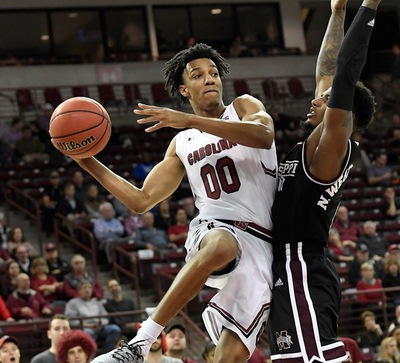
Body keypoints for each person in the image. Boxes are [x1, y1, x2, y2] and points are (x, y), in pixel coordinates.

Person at [74, 42, 277, 363]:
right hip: (215, 231)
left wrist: (188, 120)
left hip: (262, 246)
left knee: (231, 357)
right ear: (184, 89)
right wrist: (86, 161)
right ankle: (140, 343)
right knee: (223, 245)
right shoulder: (181, 142)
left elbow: (263, 134)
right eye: (198, 75)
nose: (209, 79)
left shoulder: (243, 107)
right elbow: (141, 201)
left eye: (213, 73)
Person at [267, 0, 380, 362]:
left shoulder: (333, 146)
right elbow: (329, 70)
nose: (317, 100)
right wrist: (337, 11)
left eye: (327, 100)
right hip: (290, 265)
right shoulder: (317, 140)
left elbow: (345, 73)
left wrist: (369, 5)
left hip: (300, 264)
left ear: (345, 116)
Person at [64, 279, 121, 354]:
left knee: (115, 329)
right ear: (79, 291)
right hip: (83, 328)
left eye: (89, 287)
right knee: (89, 332)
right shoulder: (72, 303)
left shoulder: (96, 302)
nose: (87, 290)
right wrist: (89, 325)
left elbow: (105, 317)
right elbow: (71, 320)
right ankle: (91, 355)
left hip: (99, 327)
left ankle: (107, 352)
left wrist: (100, 324)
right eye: (84, 288)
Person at [41, 171, 64, 236]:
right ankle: (49, 229)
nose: (55, 180)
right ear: (50, 179)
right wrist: (55, 203)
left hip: (61, 205)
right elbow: (46, 202)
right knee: (48, 210)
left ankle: (62, 231)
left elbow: (64, 199)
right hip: (51, 206)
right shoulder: (47, 188)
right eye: (53, 178)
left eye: (56, 178)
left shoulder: (62, 186)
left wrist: (56, 203)